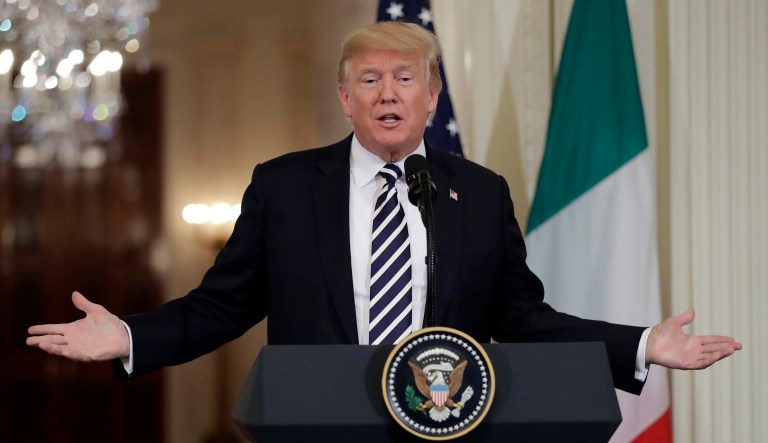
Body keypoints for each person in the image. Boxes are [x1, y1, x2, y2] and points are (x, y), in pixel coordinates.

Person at [27, 22, 740, 395]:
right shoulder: (284, 186)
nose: (388, 93)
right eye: (369, 79)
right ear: (345, 98)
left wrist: (643, 345)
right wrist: (129, 337)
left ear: (432, 97)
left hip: (446, 422)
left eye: (405, 78)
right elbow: (221, 305)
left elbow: (522, 318)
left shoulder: (480, 192)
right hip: (318, 424)